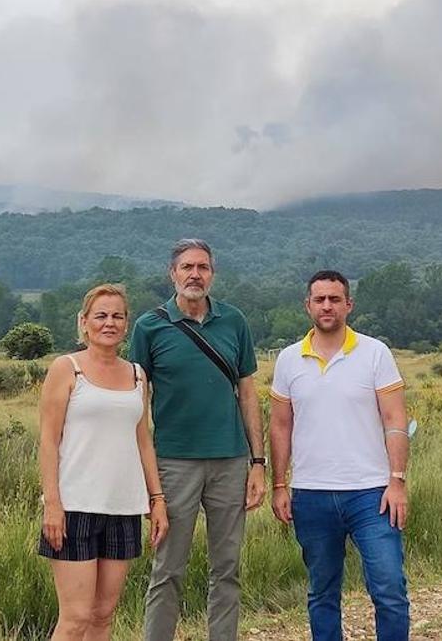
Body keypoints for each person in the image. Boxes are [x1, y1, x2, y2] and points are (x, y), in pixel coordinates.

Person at [129, 238, 265, 641]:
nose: (195, 274)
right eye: (187, 267)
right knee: (167, 568)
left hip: (230, 460)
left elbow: (247, 392)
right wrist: (145, 471)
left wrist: (258, 463)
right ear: (172, 273)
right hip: (174, 463)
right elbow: (138, 398)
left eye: (202, 267)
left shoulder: (234, 320)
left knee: (227, 568)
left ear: (212, 273)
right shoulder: (149, 326)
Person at [269, 270, 411, 641]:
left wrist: (397, 480)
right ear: (308, 306)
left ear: (349, 304)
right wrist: (279, 485)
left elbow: (395, 418)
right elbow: (281, 425)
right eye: (320, 299)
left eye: (335, 299)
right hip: (312, 494)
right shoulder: (288, 360)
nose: (327, 306)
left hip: (372, 494)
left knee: (389, 589)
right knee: (321, 593)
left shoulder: (375, 352)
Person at [38, 283, 169, 640]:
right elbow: (49, 440)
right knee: (76, 617)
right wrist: (52, 503)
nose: (108, 323)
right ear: (84, 322)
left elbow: (143, 441)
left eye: (117, 316)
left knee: (103, 615)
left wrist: (156, 500)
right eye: (101, 316)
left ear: (126, 324)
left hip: (123, 506)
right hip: (74, 506)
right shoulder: (66, 368)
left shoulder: (138, 375)